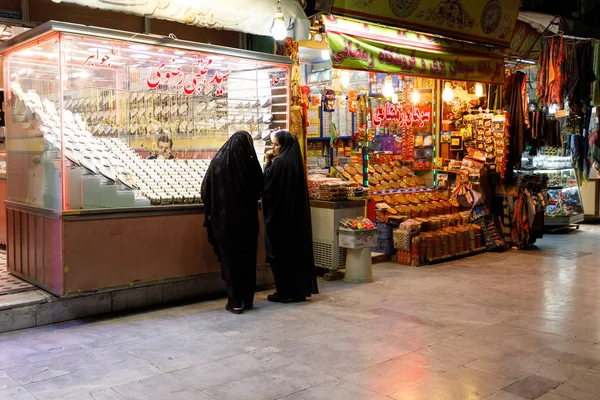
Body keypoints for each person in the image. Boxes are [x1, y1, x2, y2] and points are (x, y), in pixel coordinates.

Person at [201, 131, 263, 314]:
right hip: (248, 223)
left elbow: (205, 190)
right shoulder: (250, 164)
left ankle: (235, 301)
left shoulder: (218, 163)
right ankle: (247, 298)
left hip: (225, 223)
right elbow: (261, 187)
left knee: (231, 262)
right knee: (247, 260)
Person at [262, 130, 318, 303]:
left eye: (276, 144)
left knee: (280, 255)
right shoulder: (295, 163)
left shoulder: (278, 163)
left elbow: (266, 186)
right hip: (296, 221)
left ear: (284, 145)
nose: (273, 147)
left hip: (281, 221)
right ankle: (297, 291)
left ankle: (283, 292)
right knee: (296, 255)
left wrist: (266, 163)